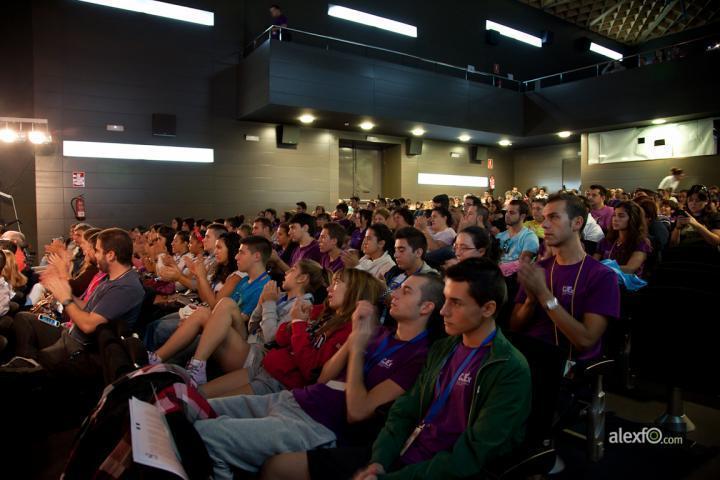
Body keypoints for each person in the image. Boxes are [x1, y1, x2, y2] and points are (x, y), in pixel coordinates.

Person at [197, 273, 445, 478]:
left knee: (205, 436)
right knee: (195, 410)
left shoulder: (419, 357)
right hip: (296, 399)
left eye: (407, 291)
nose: (395, 294)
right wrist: (353, 340)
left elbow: (358, 412)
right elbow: (323, 377)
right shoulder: (379, 332)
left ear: (426, 307)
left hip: (319, 424)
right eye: (398, 288)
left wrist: (356, 348)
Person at [352, 258, 530, 479]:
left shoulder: (509, 369)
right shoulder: (443, 347)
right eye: (445, 299)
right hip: (397, 455)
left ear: (488, 308)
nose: (443, 311)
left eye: (456, 302)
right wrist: (379, 460)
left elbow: (470, 456)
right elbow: (405, 410)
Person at [200, 268, 385, 399]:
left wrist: (297, 323)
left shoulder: (347, 330)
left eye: (337, 284)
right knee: (198, 395)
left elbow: (310, 369)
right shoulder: (321, 311)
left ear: (355, 291)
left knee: (205, 407)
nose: (329, 289)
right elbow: (281, 337)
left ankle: (195, 366)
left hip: (280, 383)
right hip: (267, 366)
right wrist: (293, 324)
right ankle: (195, 367)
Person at [3, 228, 144, 376]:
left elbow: (88, 325)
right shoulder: (112, 279)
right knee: (24, 320)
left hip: (80, 347)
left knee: (33, 362)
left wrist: (66, 299)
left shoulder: (126, 288)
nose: (93, 254)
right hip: (71, 335)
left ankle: (31, 370)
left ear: (110, 255)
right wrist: (66, 292)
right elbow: (88, 308)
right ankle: (29, 365)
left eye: (97, 250)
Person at [511, 193, 620, 364]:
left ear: (577, 223)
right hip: (527, 359)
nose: (544, 224)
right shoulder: (539, 269)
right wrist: (530, 302)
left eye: (554, 217)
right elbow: (515, 326)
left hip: (566, 369)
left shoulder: (602, 276)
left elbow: (585, 340)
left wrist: (544, 295)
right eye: (545, 218)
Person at [149, 237, 275, 384]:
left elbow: (244, 321)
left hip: (242, 339)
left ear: (257, 256)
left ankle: (177, 369)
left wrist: (206, 324)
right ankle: (156, 359)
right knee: (201, 314)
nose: (236, 256)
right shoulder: (243, 281)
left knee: (222, 305)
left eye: (241, 252)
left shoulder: (265, 285)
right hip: (227, 327)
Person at [594, 202, 652, 277]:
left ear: (633, 219)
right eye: (614, 215)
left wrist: (601, 268)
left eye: (621, 216)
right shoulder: (606, 241)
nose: (615, 219)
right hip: (606, 279)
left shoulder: (641, 242)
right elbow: (594, 262)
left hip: (627, 285)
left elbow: (630, 269)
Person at [670, 184, 720, 251]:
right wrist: (677, 228)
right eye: (690, 200)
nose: (693, 203)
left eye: (698, 200)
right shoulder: (682, 214)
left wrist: (696, 224)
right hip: (682, 255)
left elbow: (716, 242)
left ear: (706, 201)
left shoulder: (714, 216)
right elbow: (673, 244)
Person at [496, 200, 539, 265]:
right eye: (507, 212)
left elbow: (523, 263)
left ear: (522, 216)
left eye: (512, 213)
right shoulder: (500, 235)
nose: (507, 215)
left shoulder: (529, 237)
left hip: (514, 274)